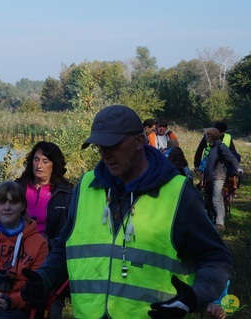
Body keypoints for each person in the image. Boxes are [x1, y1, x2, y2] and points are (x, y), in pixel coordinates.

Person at [20, 105, 232, 318]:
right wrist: (44, 278)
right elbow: (65, 246)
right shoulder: (85, 186)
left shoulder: (177, 192)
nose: (105, 154)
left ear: (139, 141)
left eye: (112, 145)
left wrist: (195, 296)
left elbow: (215, 257)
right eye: (99, 147)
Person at [14, 141, 73, 318]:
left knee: (50, 307)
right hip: (17, 253)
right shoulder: (18, 187)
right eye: (36, 160)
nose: (39, 166)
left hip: (49, 255)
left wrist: (48, 243)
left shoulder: (66, 194)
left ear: (54, 165)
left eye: (45, 161)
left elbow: (69, 233)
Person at [0, 181, 49, 319]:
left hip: (18, 308)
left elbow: (37, 288)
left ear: (23, 206)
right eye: (2, 202)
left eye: (13, 202)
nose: (7, 207)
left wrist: (11, 301)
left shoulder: (39, 243)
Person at [201, 127, 243, 232]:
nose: (206, 137)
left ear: (211, 136)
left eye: (207, 136)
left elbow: (231, 157)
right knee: (209, 199)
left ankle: (220, 223)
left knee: (217, 199)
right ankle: (212, 219)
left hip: (219, 177)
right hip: (211, 177)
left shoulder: (221, 146)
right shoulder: (212, 147)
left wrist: (238, 168)